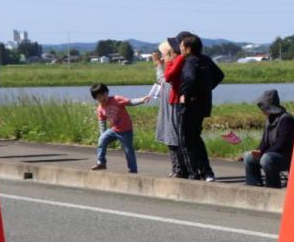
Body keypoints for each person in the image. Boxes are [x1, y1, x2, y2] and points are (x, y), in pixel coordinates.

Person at [178, 34, 225, 181]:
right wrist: (206, 89)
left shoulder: (190, 61)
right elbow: (220, 75)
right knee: (195, 138)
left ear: (188, 48)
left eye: (182, 46)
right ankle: (206, 172)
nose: (180, 48)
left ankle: (197, 173)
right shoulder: (206, 59)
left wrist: (185, 94)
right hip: (203, 104)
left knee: (187, 140)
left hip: (190, 105)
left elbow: (190, 78)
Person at [244, 89, 294, 188]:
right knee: (249, 157)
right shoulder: (269, 119)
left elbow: (282, 143)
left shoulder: (286, 120)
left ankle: (272, 187)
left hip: (287, 157)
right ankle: (254, 186)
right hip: (271, 153)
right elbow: (264, 141)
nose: (260, 108)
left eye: (262, 106)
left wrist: (263, 153)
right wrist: (258, 150)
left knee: (267, 158)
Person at [89, 83, 148, 173]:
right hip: (114, 130)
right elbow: (102, 123)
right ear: (95, 99)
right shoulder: (100, 109)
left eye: (104, 94)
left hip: (126, 131)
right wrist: (103, 135)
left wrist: (142, 100)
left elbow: (130, 102)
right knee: (101, 140)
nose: (103, 98)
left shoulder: (116, 99)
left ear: (107, 93)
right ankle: (101, 162)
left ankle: (133, 170)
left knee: (128, 151)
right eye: (99, 97)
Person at [153, 41, 184, 177]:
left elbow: (164, 79)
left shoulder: (175, 70)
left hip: (173, 110)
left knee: (174, 140)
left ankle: (179, 169)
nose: (161, 58)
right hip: (170, 109)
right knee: (172, 140)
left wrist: (159, 66)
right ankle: (177, 168)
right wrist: (160, 65)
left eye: (163, 55)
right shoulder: (173, 67)